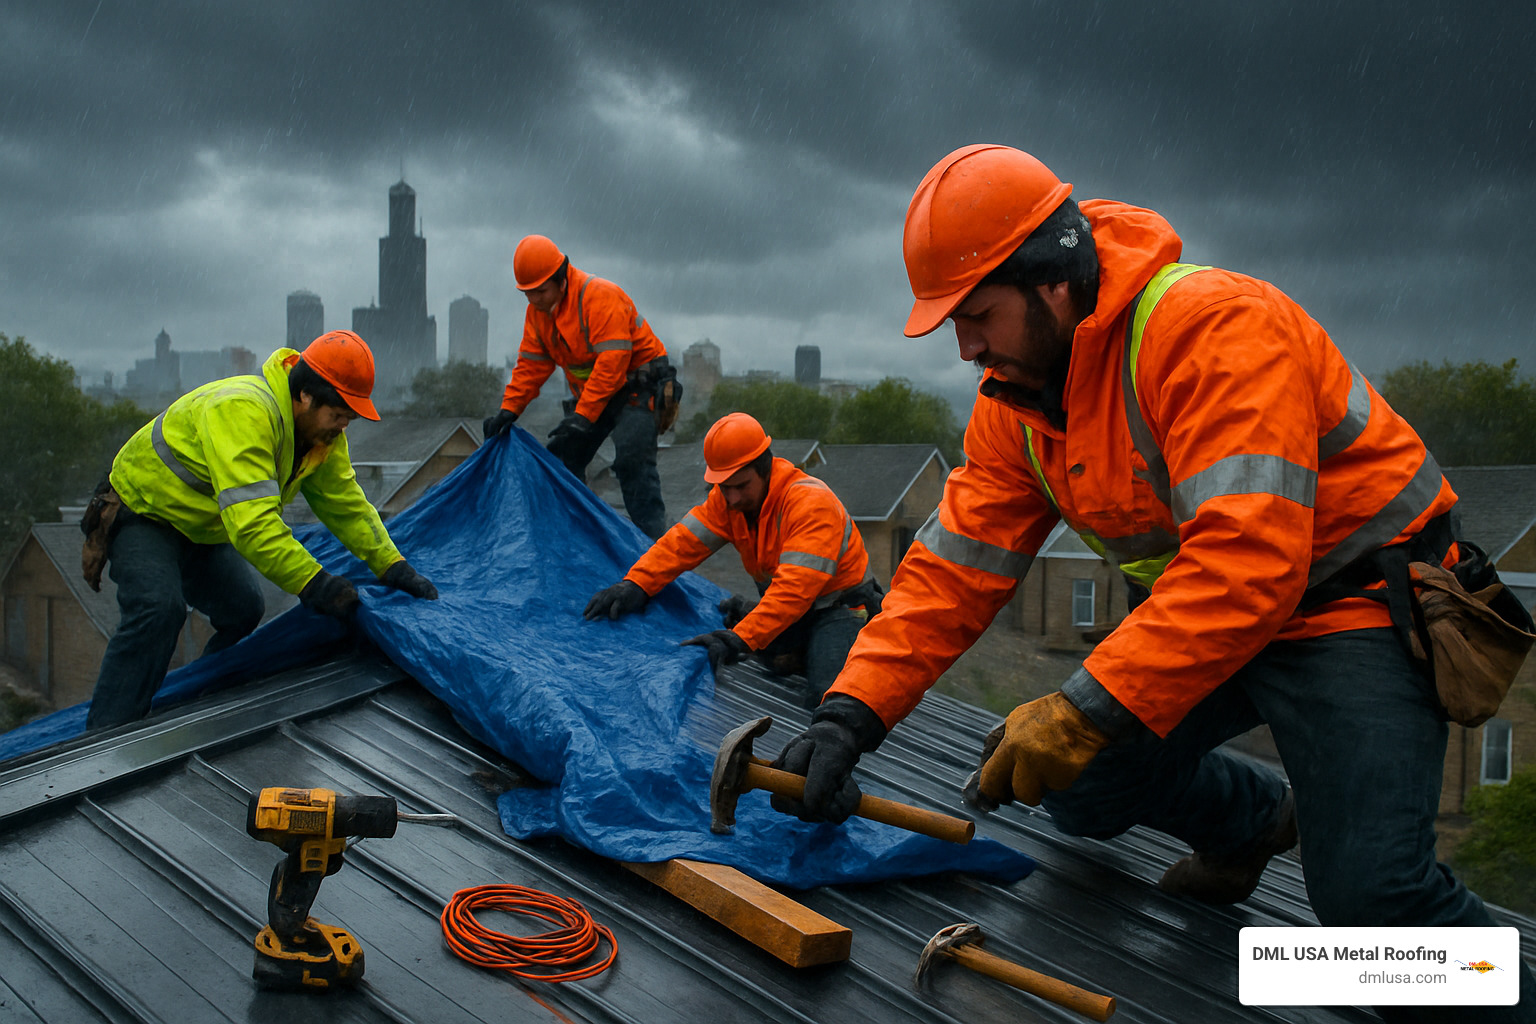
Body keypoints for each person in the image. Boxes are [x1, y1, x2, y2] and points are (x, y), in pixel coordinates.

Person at [769, 145, 1533, 1023]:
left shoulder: (1212, 329)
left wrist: (1083, 708)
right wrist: (847, 716)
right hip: (1210, 620)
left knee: (1372, 909)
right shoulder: (1017, 402)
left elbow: (1249, 561)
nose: (965, 344)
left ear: (1053, 283)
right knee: (1071, 785)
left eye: (977, 314)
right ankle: (1251, 823)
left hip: (1353, 611)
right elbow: (952, 572)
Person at [83, 330, 438, 730]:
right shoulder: (242, 411)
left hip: (200, 527)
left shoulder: (321, 438)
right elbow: (253, 526)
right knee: (158, 609)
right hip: (145, 511)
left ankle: (199, 696)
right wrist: (315, 584)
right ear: (305, 395)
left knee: (243, 609)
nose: (343, 426)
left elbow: (347, 505)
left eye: (350, 418)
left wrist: (392, 565)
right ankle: (104, 738)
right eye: (339, 414)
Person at [583, 412, 881, 706]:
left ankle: (826, 653)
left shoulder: (810, 506)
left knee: (829, 699)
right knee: (771, 659)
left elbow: (793, 594)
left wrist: (738, 639)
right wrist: (636, 583)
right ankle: (795, 650)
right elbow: (680, 544)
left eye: (741, 486)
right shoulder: (725, 502)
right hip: (798, 612)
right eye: (725, 487)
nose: (733, 498)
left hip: (841, 609)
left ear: (765, 469)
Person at [483, 234, 679, 539]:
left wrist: (584, 416)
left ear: (561, 279)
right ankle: (580, 540)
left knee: (632, 462)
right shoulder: (539, 315)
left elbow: (612, 366)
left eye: (540, 291)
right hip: (596, 394)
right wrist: (508, 410)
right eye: (527, 293)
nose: (534, 300)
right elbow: (531, 366)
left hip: (637, 387)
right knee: (562, 458)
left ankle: (652, 551)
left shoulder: (599, 297)